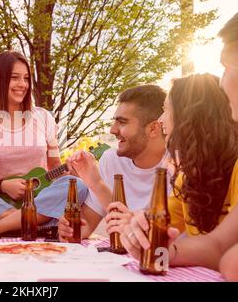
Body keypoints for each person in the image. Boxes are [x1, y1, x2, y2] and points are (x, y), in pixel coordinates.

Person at [0, 50, 87, 236]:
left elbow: (56, 167)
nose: (22, 84)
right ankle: (28, 222)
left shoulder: (44, 118)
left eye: (26, 78)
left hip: (39, 199)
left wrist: (72, 170)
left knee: (76, 184)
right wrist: (3, 186)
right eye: (15, 77)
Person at [121, 72, 238, 280]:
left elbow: (226, 252)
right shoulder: (188, 177)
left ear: (189, 116)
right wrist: (140, 235)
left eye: (166, 109)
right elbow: (162, 230)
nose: (160, 119)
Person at [58, 85, 169, 241]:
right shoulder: (111, 160)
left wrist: (96, 183)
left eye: (122, 122)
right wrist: (71, 229)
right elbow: (87, 223)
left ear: (153, 129)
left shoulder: (179, 165)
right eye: (114, 122)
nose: (112, 130)